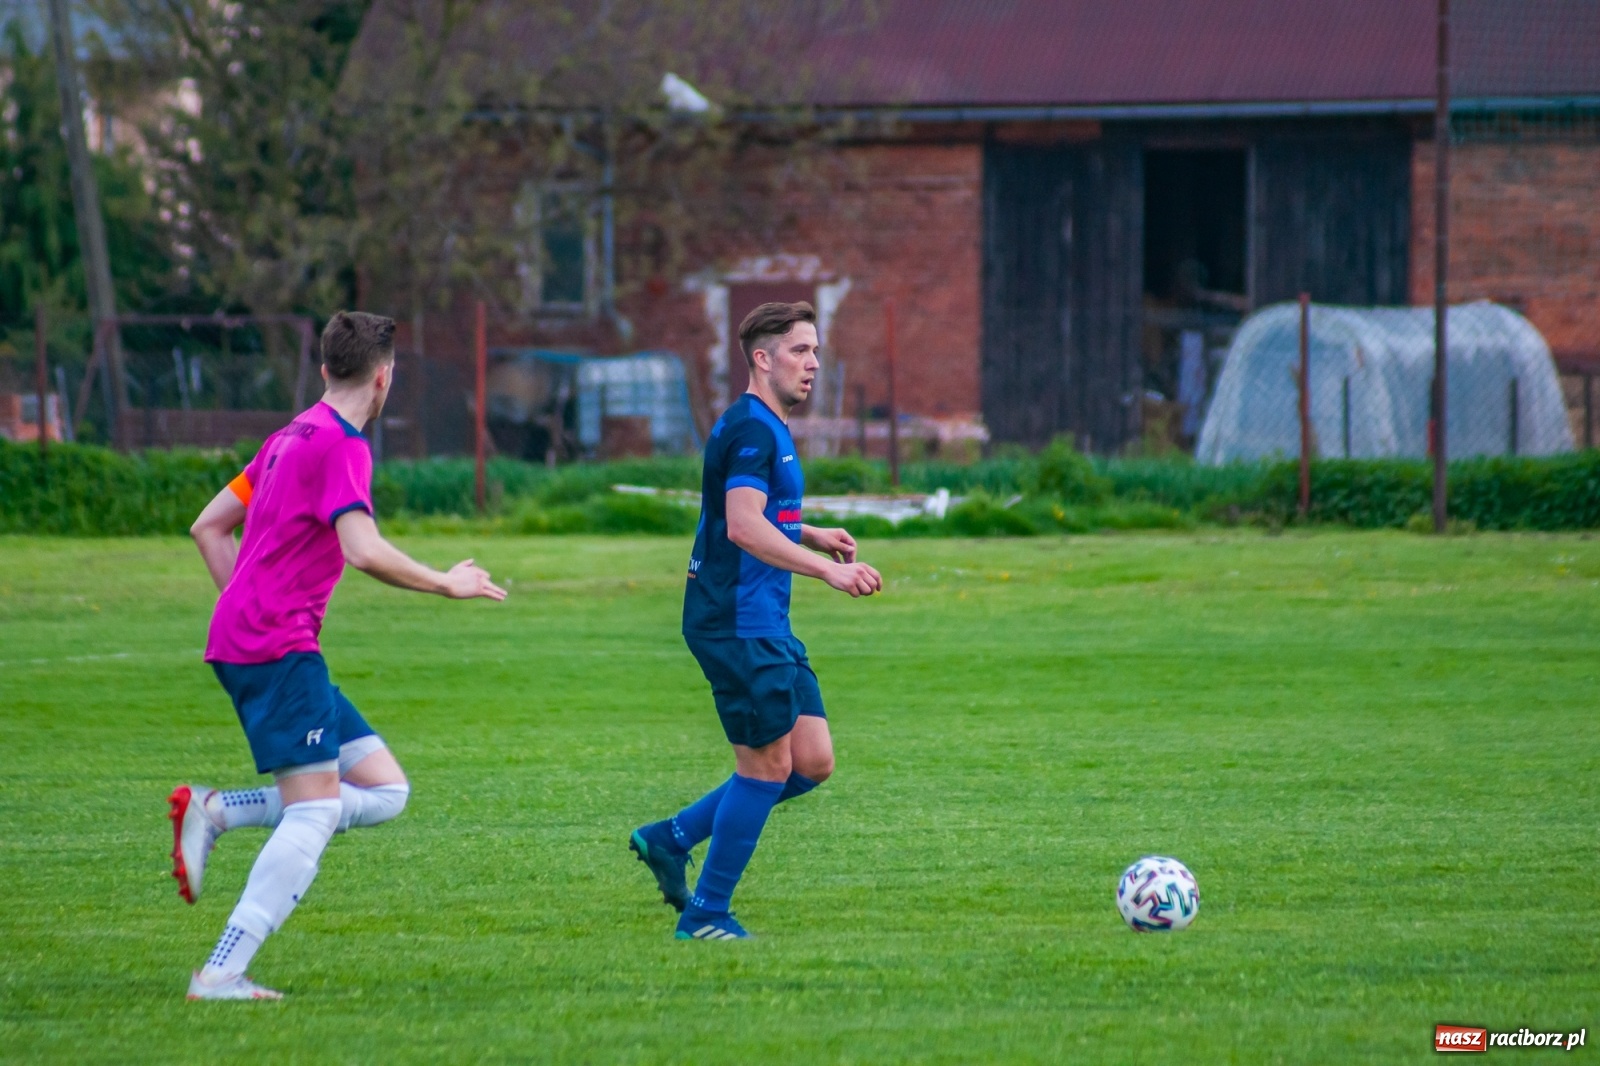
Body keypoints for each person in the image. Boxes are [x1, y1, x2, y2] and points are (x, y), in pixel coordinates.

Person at [168, 311, 506, 1000]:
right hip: (275, 646)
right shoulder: (343, 446)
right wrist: (447, 581)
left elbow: (208, 527)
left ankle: (219, 808)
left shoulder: (287, 437)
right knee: (316, 810)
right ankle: (222, 971)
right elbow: (362, 549)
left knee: (385, 790)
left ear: (326, 369)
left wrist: (245, 602)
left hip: (256, 638)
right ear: (384, 378)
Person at [629, 301, 882, 940]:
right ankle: (707, 914)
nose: (814, 365)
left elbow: (748, 513)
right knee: (766, 767)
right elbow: (742, 527)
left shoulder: (766, 424)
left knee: (812, 760)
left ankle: (671, 837)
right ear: (762, 359)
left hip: (763, 618)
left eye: (817, 352)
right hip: (736, 622)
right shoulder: (752, 429)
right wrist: (827, 572)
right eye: (801, 351)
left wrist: (813, 533)